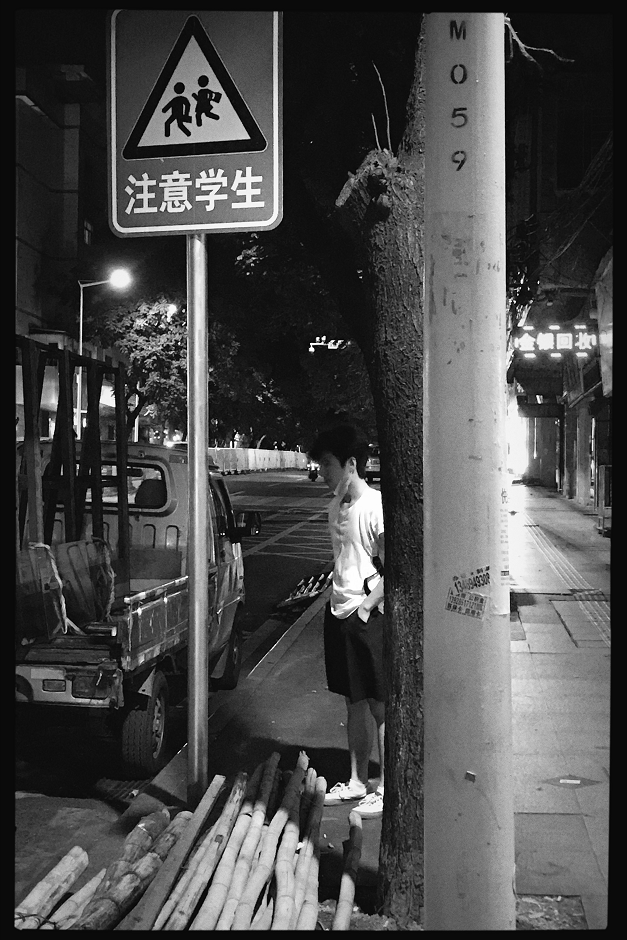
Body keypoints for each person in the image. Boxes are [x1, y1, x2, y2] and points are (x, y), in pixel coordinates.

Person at [308, 423, 385, 818]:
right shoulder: (334, 507)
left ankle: (385, 787)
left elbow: (395, 565)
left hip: (366, 615)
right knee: (353, 702)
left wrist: (368, 607)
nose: (321, 471)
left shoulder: (374, 506)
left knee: (379, 703)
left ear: (351, 464)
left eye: (327, 464)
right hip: (339, 612)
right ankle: (357, 781)